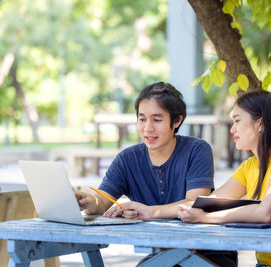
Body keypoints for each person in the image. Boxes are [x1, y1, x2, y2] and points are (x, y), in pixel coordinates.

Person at [177, 90, 271, 267]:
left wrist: (203, 218)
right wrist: (146, 211)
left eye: (237, 121)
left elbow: (265, 214)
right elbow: (207, 202)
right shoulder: (250, 166)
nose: (232, 129)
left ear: (260, 123)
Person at [75, 81, 214, 219]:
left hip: (189, 239)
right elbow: (101, 203)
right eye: (142, 119)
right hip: (142, 239)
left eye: (157, 120)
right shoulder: (127, 159)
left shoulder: (197, 150)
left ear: (177, 120)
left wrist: (148, 211)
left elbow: (194, 203)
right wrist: (89, 203)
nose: (148, 128)